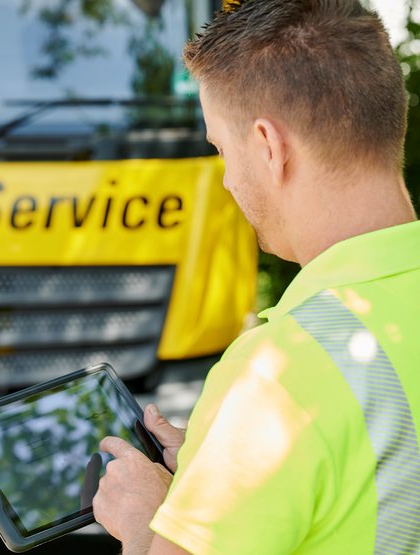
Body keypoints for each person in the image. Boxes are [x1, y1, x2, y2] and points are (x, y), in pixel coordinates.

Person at [92, 0, 420, 553]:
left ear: (269, 147)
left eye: (221, 149)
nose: (225, 181)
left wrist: (147, 524)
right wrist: (221, 465)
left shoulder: (278, 376)